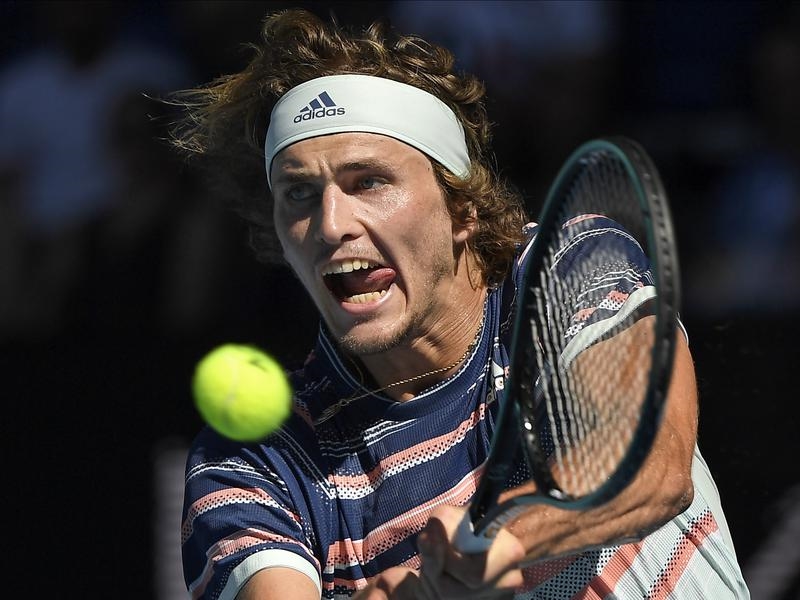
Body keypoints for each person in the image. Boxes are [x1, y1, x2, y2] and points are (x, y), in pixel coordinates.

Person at [171, 9, 749, 600]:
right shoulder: (254, 459)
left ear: (461, 208)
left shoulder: (566, 266)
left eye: (369, 181)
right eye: (299, 192)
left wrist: (498, 542)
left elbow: (647, 468)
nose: (331, 224)